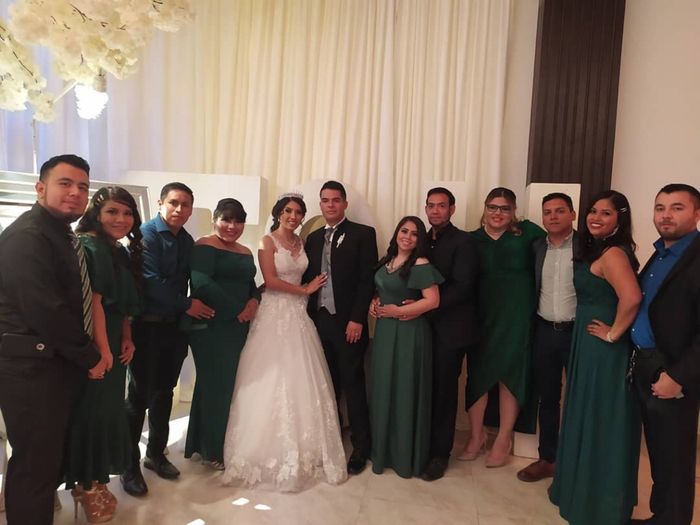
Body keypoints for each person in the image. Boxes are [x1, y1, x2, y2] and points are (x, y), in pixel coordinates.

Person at [0, 154, 104, 525]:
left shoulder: (59, 234)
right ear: (40, 188)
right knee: (34, 467)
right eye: (65, 183)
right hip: (31, 369)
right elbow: (46, 311)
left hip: (52, 365)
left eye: (83, 187)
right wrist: (90, 356)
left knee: (45, 463)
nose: (76, 193)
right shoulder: (27, 237)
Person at [222, 193, 347, 491]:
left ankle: (306, 448)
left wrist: (306, 293)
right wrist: (305, 290)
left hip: (299, 316)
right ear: (279, 213)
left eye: (298, 212)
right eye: (288, 211)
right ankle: (263, 450)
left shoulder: (302, 242)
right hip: (274, 312)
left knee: (300, 376)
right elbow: (270, 279)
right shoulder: (267, 241)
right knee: (271, 375)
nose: (293, 216)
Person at [549, 190, 642, 525]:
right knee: (586, 410)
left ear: (620, 219)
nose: (596, 218)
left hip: (602, 347)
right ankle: (579, 488)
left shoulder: (614, 253)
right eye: (593, 211)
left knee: (599, 415)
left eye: (606, 213)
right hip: (587, 341)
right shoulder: (601, 250)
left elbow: (632, 298)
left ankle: (596, 501)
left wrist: (613, 334)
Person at [121, 183, 215, 497]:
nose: (179, 209)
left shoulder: (186, 240)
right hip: (145, 327)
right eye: (174, 202)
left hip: (173, 328)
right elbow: (149, 281)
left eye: (185, 205)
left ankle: (156, 454)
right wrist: (188, 304)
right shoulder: (145, 235)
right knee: (138, 397)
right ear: (161, 203)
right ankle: (129, 465)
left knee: (165, 392)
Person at [62, 186, 143, 522]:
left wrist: (127, 337)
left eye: (127, 213)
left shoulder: (117, 249)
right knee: (90, 413)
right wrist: (103, 350)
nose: (121, 219)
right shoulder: (87, 245)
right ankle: (85, 484)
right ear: (96, 213)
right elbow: (93, 302)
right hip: (93, 340)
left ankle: (97, 479)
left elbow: (122, 302)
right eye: (112, 211)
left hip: (112, 337)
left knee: (108, 412)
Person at [629, 184, 700, 525]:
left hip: (673, 371)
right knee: (659, 451)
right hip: (647, 363)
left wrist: (679, 376)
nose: (666, 215)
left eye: (677, 207)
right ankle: (662, 516)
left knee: (675, 457)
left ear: (696, 214)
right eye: (660, 208)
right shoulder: (659, 254)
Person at [461, 187, 545, 467]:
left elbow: (558, 245)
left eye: (505, 208)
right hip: (481, 317)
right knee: (478, 376)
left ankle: (503, 438)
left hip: (516, 317)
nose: (498, 213)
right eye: (493, 207)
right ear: (485, 209)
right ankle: (476, 436)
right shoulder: (471, 239)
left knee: (511, 376)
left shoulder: (527, 233)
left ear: (513, 211)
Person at [303, 181, 378, 475]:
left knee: (353, 384)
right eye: (325, 200)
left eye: (336, 200)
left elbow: (366, 279)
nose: (331, 205)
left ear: (345, 204)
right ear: (320, 204)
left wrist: (357, 318)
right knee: (325, 385)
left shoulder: (363, 234)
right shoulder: (312, 239)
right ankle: (329, 443)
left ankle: (361, 447)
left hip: (348, 323)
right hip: (317, 322)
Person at [184, 198, 260, 470]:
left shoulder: (245, 251)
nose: (232, 226)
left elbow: (250, 284)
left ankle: (202, 442)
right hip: (213, 324)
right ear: (214, 219)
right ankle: (212, 450)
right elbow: (202, 283)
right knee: (216, 384)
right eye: (226, 219)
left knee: (223, 384)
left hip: (239, 325)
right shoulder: (204, 245)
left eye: (238, 221)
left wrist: (253, 302)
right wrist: (237, 310)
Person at [369, 216, 443, 478]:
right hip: (385, 332)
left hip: (409, 334)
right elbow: (384, 288)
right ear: (397, 233)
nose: (408, 237)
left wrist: (400, 311)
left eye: (414, 234)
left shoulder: (420, 263)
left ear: (419, 240)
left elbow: (432, 301)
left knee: (404, 390)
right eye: (404, 231)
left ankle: (404, 456)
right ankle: (383, 451)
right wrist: (375, 301)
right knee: (384, 388)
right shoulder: (388, 260)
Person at [517, 193, 578, 483]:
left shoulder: (587, 247)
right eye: (548, 212)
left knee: (579, 398)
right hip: (544, 330)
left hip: (578, 333)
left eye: (560, 211)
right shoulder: (536, 247)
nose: (553, 216)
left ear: (573, 214)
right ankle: (548, 459)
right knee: (548, 398)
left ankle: (576, 462)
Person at [419, 188, 479, 481]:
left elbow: (463, 287)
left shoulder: (463, 241)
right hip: (420, 328)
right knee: (422, 389)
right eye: (431, 205)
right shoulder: (419, 238)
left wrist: (427, 306)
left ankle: (439, 455)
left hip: (450, 330)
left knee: (443, 393)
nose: (435, 211)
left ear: (452, 209)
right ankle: (420, 447)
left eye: (441, 206)